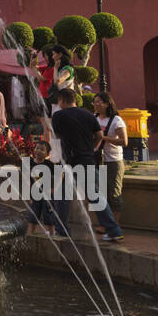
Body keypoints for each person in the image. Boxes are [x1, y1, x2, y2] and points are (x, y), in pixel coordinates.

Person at [51, 87, 124, 242]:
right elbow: (99, 135)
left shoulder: (58, 115)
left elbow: (56, 137)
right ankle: (113, 230)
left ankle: (62, 230)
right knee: (95, 196)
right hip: (87, 159)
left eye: (59, 101)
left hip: (70, 162)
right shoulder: (88, 115)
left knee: (61, 196)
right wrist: (90, 148)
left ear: (62, 100)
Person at [93, 91, 127, 232]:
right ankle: (103, 223)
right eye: (94, 101)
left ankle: (114, 224)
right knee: (99, 192)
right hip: (97, 159)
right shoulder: (93, 118)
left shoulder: (116, 120)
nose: (96, 104)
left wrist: (103, 138)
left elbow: (124, 141)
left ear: (107, 104)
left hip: (113, 160)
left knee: (113, 193)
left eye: (99, 101)